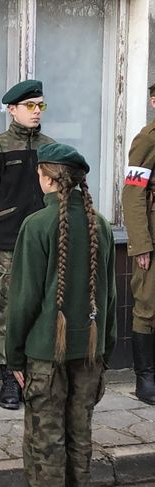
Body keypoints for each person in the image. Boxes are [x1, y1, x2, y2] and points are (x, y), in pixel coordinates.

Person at [6, 143, 116, 486]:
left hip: (43, 354)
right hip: (90, 351)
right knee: (80, 438)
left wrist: (14, 356)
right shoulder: (102, 225)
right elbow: (109, 297)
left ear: (47, 178)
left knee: (45, 444)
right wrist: (105, 354)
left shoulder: (36, 225)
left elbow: (24, 300)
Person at [0, 79, 55, 409]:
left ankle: (38, 377)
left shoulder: (50, 147)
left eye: (41, 106)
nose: (37, 112)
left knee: (44, 308)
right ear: (12, 109)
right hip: (9, 243)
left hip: (45, 242)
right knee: (9, 311)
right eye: (30, 106)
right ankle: (10, 379)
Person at [121, 82, 155, 405]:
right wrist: (141, 243)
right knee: (147, 303)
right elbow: (132, 192)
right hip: (152, 236)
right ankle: (144, 378)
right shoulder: (147, 139)